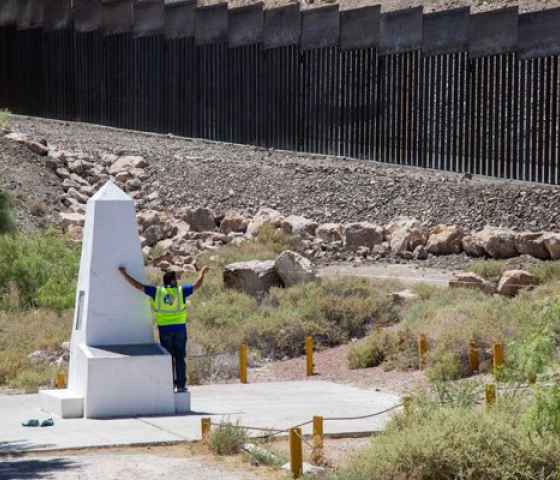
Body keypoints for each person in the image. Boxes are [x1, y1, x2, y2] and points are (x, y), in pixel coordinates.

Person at [118, 265, 209, 392]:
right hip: (179, 329)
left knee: (168, 358)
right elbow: (197, 285)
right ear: (172, 281)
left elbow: (138, 286)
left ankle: (169, 385)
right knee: (179, 358)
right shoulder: (180, 291)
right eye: (176, 280)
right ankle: (181, 386)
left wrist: (124, 275)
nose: (177, 282)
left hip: (165, 330)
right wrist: (202, 273)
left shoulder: (157, 292)